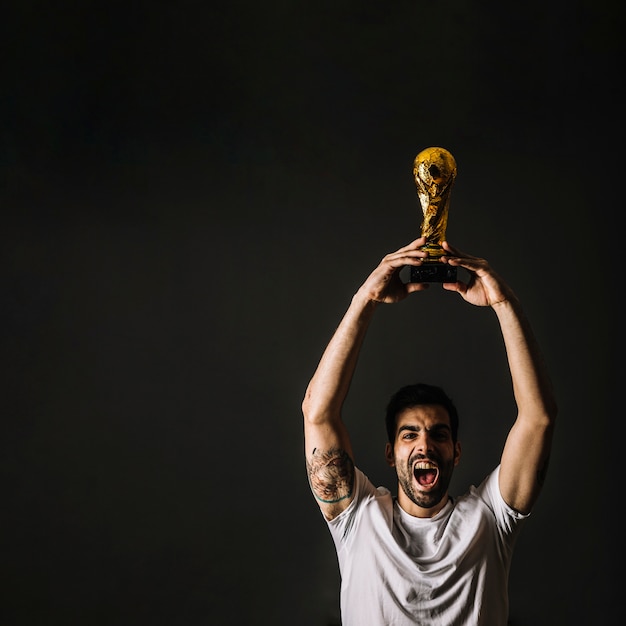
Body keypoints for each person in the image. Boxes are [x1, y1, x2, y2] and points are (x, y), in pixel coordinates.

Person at [301, 236, 557, 626]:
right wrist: (365, 299)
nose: (425, 444)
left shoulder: (488, 521)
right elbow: (317, 413)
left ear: (456, 450)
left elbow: (538, 418)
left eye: (439, 435)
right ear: (391, 453)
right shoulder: (359, 518)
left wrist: (506, 305)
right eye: (410, 435)